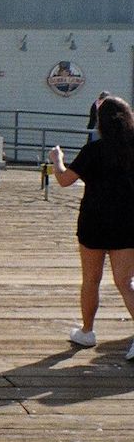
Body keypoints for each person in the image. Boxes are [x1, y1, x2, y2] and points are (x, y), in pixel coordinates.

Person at [48, 96, 134, 361]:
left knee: (91, 280)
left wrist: (57, 159)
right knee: (125, 282)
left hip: (94, 223)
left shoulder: (93, 151)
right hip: (127, 224)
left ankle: (87, 332)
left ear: (101, 123)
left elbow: (64, 180)